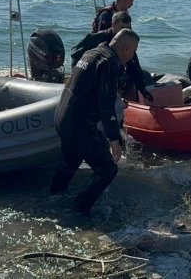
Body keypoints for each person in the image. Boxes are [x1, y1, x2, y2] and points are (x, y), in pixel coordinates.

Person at [50, 28, 140, 215]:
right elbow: (106, 105)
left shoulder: (92, 53)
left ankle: (54, 198)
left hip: (62, 118)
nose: (131, 57)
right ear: (125, 48)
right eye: (132, 52)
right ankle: (78, 211)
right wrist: (114, 138)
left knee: (70, 160)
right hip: (79, 125)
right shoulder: (109, 63)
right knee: (107, 169)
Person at [71, 11, 153, 104]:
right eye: (121, 27)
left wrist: (141, 88)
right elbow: (76, 54)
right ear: (113, 24)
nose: (124, 31)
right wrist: (76, 77)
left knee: (131, 81)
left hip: (113, 76)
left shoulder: (127, 42)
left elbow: (133, 65)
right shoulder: (98, 38)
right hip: (93, 78)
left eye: (127, 28)